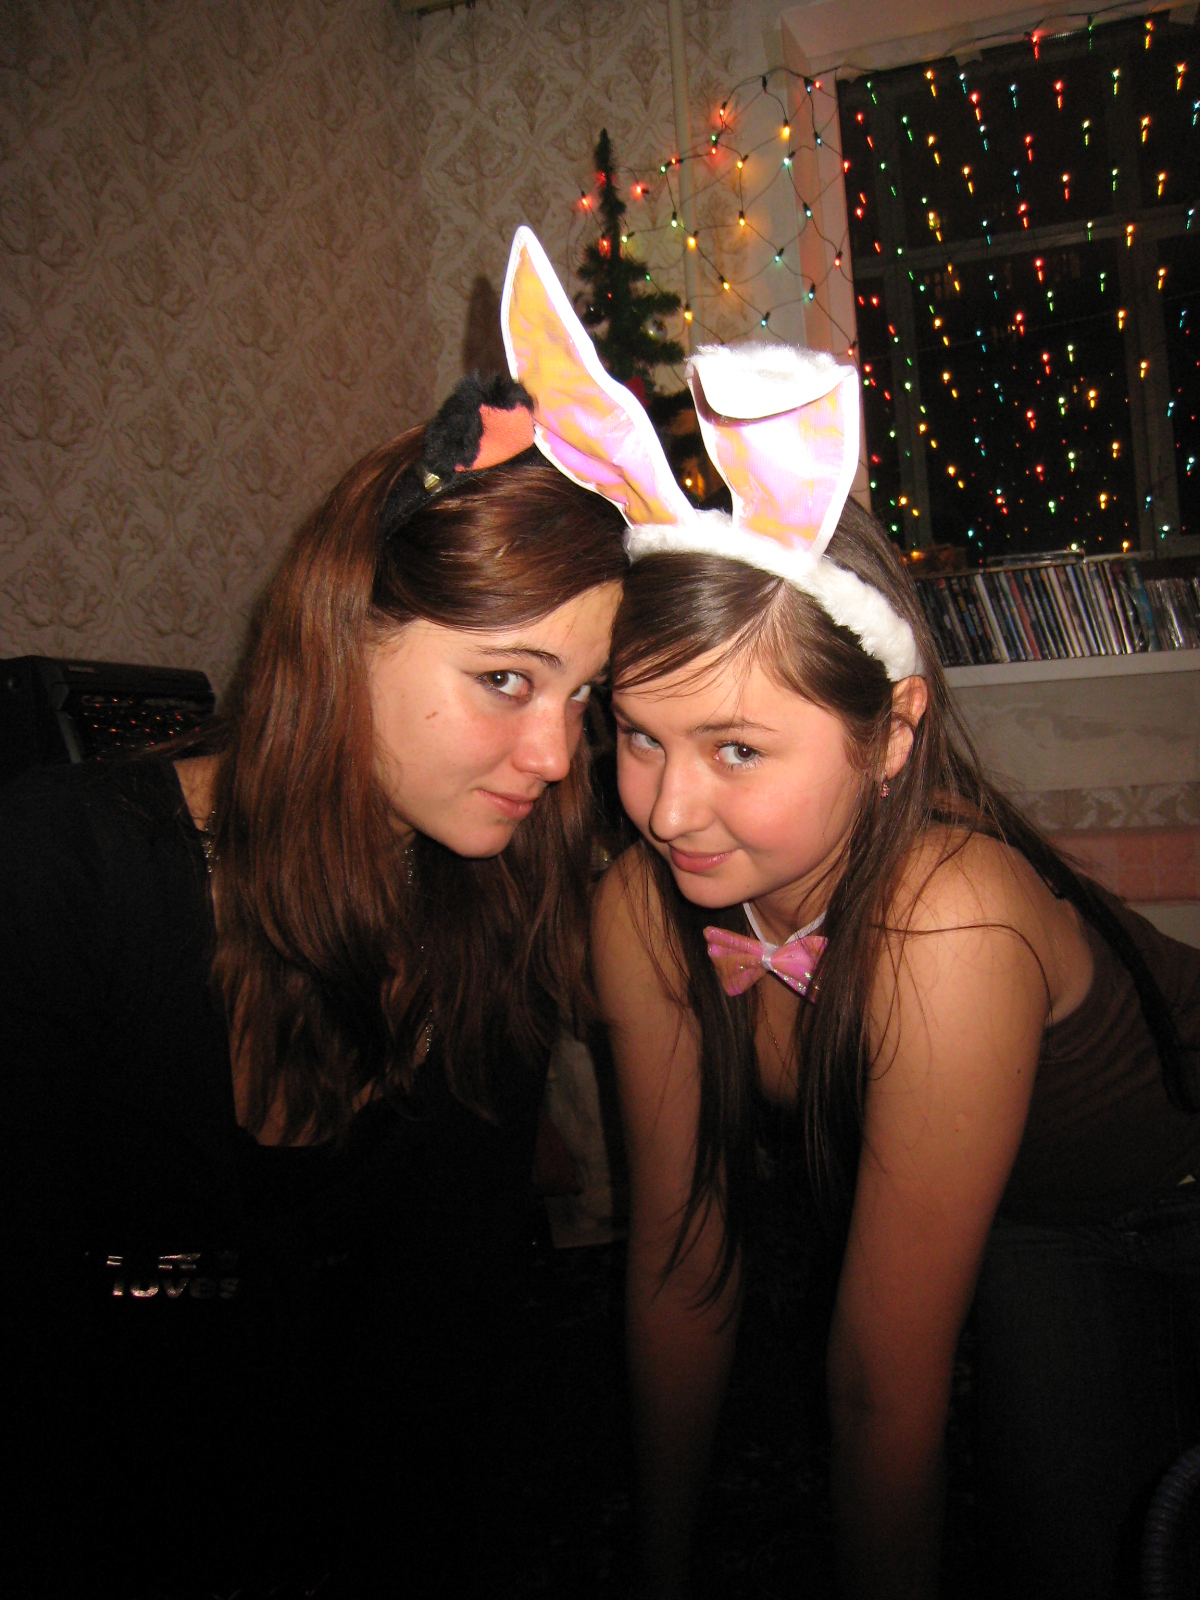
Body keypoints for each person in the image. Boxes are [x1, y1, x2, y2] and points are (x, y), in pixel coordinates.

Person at [1, 239, 629, 1597]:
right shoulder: (58, 871)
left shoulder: (498, 905)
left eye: (583, 697)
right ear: (344, 631)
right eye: (508, 680)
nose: (556, 757)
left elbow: (446, 1357)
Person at [554, 332, 1200, 1599]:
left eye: (737, 749)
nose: (669, 811)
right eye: (638, 735)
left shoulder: (946, 927)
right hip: (1030, 1218)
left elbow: (875, 1390)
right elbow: (682, 1258)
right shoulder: (638, 911)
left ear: (892, 733)